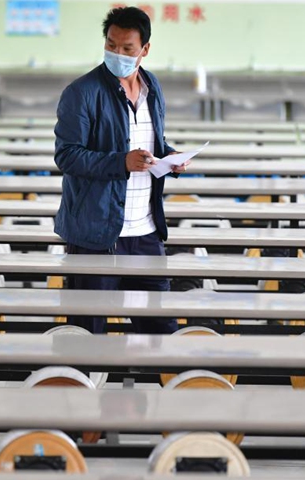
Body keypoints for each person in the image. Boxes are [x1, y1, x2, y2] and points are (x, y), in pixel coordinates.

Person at [54, 6, 189, 335]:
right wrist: (121, 162)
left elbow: (151, 141)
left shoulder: (152, 86)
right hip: (96, 235)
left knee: (160, 331)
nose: (117, 53)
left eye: (127, 48)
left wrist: (169, 157)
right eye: (111, 45)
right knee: (88, 333)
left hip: (146, 233)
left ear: (145, 49)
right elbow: (67, 156)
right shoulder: (82, 93)